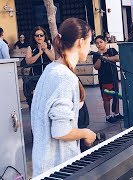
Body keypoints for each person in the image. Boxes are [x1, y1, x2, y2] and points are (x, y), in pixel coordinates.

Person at [31, 18, 97, 177]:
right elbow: (60, 131)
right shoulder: (64, 77)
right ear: (81, 42)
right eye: (89, 42)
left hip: (44, 163)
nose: (90, 47)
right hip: (58, 167)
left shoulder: (51, 69)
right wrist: (86, 133)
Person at [93, 35, 123, 123]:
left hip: (114, 77)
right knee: (106, 98)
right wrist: (100, 57)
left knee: (116, 96)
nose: (99, 44)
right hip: (104, 80)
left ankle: (117, 114)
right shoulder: (96, 54)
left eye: (101, 42)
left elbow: (118, 58)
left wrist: (107, 58)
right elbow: (96, 67)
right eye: (97, 43)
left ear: (105, 42)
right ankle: (108, 116)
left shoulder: (111, 50)